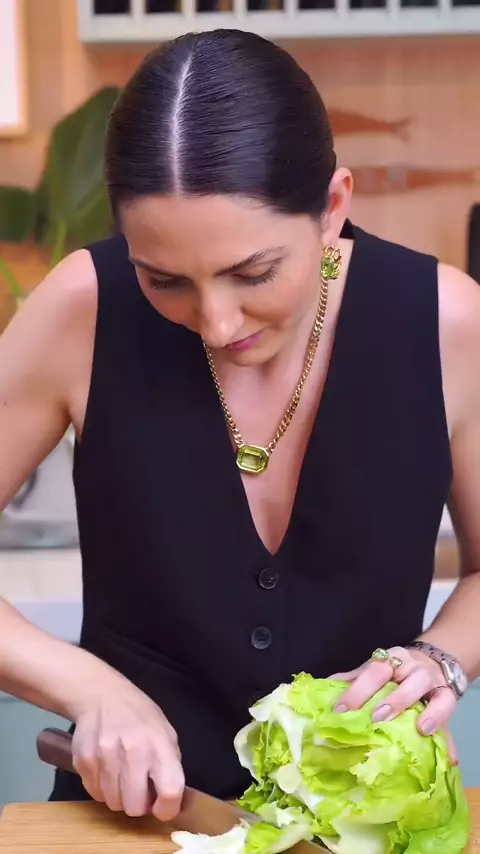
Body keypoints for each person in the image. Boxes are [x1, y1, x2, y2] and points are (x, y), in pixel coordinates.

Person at [1, 28, 479, 823]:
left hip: (362, 826)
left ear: (333, 207)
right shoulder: (82, 308)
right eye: (164, 280)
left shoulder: (446, 322)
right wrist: (88, 688)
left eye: (254, 273)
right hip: (132, 824)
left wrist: (443, 656)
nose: (218, 323)